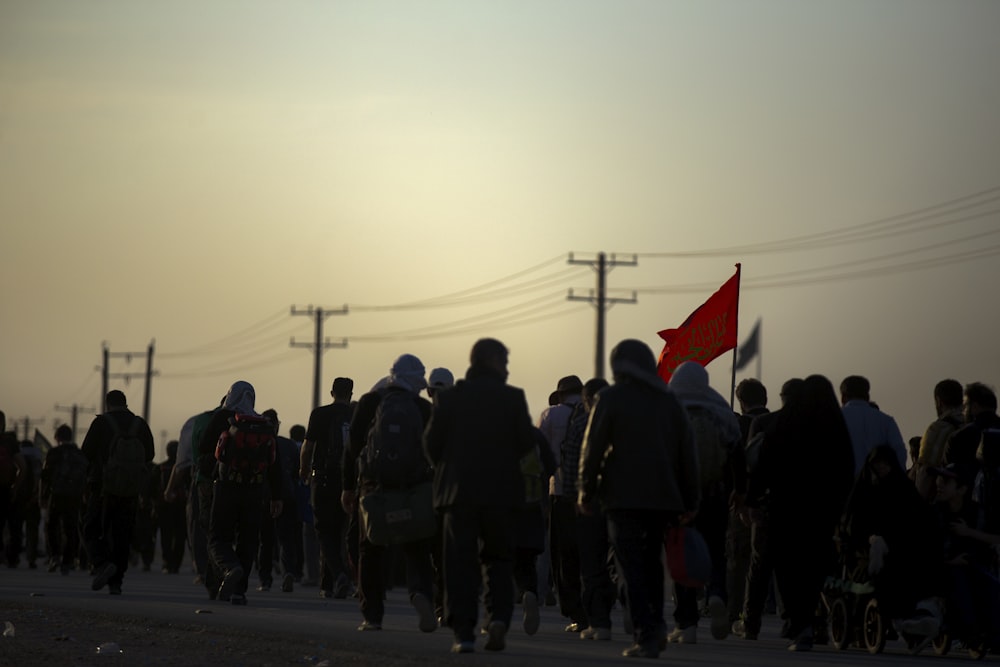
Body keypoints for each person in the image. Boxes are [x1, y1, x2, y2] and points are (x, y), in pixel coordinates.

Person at [578, 339, 700, 659]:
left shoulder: (609, 398)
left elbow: (591, 450)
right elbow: (687, 455)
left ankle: (645, 635)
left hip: (622, 497)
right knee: (652, 565)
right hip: (664, 497)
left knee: (631, 567)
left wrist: (585, 492)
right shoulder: (670, 401)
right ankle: (657, 626)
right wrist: (690, 500)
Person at [424, 338, 536, 653]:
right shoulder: (513, 398)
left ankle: (464, 633)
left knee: (459, 564)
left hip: (457, 495)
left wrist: (447, 469)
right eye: (505, 359)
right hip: (501, 494)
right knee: (498, 560)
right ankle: (498, 618)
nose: (508, 367)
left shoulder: (450, 399)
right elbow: (527, 442)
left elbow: (430, 444)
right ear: (490, 361)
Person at [748, 375, 855, 651]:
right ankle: (814, 618)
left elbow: (764, 464)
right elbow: (846, 471)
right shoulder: (835, 429)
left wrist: (753, 498)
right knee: (815, 567)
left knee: (789, 570)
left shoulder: (784, 426)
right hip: (823, 512)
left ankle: (801, 625)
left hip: (787, 510)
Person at [342, 355, 436, 634]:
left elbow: (352, 447)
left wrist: (348, 486)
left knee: (369, 549)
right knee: (417, 547)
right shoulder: (422, 407)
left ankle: (372, 615)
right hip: (413, 488)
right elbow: (435, 451)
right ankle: (421, 593)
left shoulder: (370, 402)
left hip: (374, 488)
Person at [667, 361, 743, 644]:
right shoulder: (719, 406)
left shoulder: (667, 405)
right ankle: (716, 594)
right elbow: (738, 452)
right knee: (714, 551)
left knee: (681, 554)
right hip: (716, 494)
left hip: (678, 497)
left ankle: (686, 624)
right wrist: (741, 492)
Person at [199, 381, 283, 605]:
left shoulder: (222, 418)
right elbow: (274, 462)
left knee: (218, 537)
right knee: (248, 540)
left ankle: (229, 568)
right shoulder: (263, 423)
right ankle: (239, 591)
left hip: (226, 488)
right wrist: (276, 496)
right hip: (255, 491)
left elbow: (204, 451)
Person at [734, 378, 802, 641]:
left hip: (768, 504)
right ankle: (792, 622)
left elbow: (752, 466)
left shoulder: (763, 423)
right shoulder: (814, 426)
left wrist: (748, 503)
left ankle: (750, 623)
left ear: (782, 397)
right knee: (792, 566)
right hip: (801, 507)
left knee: (760, 566)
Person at [81, 390, 156, 594]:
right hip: (131, 490)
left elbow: (85, 453)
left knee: (92, 528)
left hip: (103, 487)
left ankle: (101, 563)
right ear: (125, 403)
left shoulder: (101, 423)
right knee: (122, 534)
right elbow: (150, 454)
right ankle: (116, 583)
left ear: (108, 404)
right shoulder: (139, 424)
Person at [565, 377, 617, 641]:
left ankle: (599, 622)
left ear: (585, 400)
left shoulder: (580, 424)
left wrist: (576, 498)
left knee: (592, 564)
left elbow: (572, 463)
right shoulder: (623, 422)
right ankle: (629, 603)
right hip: (621, 501)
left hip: (589, 503)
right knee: (620, 559)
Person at [540, 374, 588, 633]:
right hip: (590, 495)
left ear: (559, 395)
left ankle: (573, 609)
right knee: (589, 553)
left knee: (563, 554)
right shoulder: (591, 413)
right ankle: (593, 606)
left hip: (559, 493)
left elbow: (540, 454)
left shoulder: (550, 415)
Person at [300, 377, 355, 599]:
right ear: (350, 394)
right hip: (349, 481)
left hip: (323, 479)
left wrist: (303, 471)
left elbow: (308, 447)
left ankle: (339, 575)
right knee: (341, 531)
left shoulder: (320, 414)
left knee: (324, 530)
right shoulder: (356, 415)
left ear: (332, 392)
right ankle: (328, 584)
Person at [728, 378, 768, 628]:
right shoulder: (777, 423)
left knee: (738, 559)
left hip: (741, 500)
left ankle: (736, 613)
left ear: (741, 402)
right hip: (772, 502)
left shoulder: (737, 425)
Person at [257, 408, 300, 594]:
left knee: (265, 541)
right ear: (278, 425)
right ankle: (288, 572)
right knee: (286, 539)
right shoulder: (289, 445)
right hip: (287, 495)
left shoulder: (257, 443)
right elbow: (297, 471)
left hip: (264, 496)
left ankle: (265, 580)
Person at [40, 424, 87, 574]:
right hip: (74, 496)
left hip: (57, 494)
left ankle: (54, 556)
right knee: (71, 528)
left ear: (57, 437)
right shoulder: (80, 454)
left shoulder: (53, 453)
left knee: (51, 525)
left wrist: (43, 496)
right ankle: (68, 561)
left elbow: (45, 477)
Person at [840, 375, 906, 474]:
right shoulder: (886, 421)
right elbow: (900, 455)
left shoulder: (833, 419)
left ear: (843, 398)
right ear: (867, 396)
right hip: (878, 486)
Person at [914, 379, 964, 498]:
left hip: (942, 501)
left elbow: (925, 471)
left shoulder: (938, 428)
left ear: (938, 401)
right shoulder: (970, 424)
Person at [946, 382, 1000, 466]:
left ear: (975, 406)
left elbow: (948, 475)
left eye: (965, 406)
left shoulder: (959, 437)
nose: (963, 412)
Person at [0, 410, 29, 568]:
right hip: (6, 489)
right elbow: (23, 467)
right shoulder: (10, 442)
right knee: (13, 525)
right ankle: (12, 557)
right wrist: (15, 487)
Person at [155, 440, 187, 574]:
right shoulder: (185, 467)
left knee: (166, 535)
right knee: (180, 535)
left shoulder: (160, 467)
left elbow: (154, 488)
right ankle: (176, 564)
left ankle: (168, 563)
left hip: (165, 505)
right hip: (181, 505)